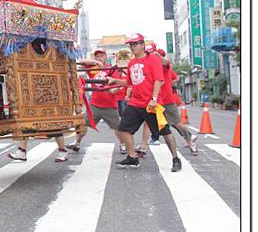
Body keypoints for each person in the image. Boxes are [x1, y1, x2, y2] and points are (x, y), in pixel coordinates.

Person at [106, 33, 182, 172]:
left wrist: (154, 99)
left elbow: (158, 80)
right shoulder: (132, 63)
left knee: (165, 132)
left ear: (142, 45)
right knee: (123, 129)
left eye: (135, 44)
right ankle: (132, 157)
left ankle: (175, 159)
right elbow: (129, 82)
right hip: (135, 103)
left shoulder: (153, 59)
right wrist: (115, 81)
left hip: (152, 104)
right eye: (131, 45)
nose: (132, 47)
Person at [66, 49, 125, 154]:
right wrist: (96, 63)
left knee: (117, 127)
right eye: (97, 56)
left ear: (106, 56)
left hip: (110, 105)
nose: (99, 58)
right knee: (82, 123)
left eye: (101, 56)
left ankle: (123, 144)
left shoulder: (112, 69)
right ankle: (77, 143)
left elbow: (115, 87)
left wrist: (117, 89)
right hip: (95, 105)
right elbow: (82, 61)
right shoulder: (94, 68)